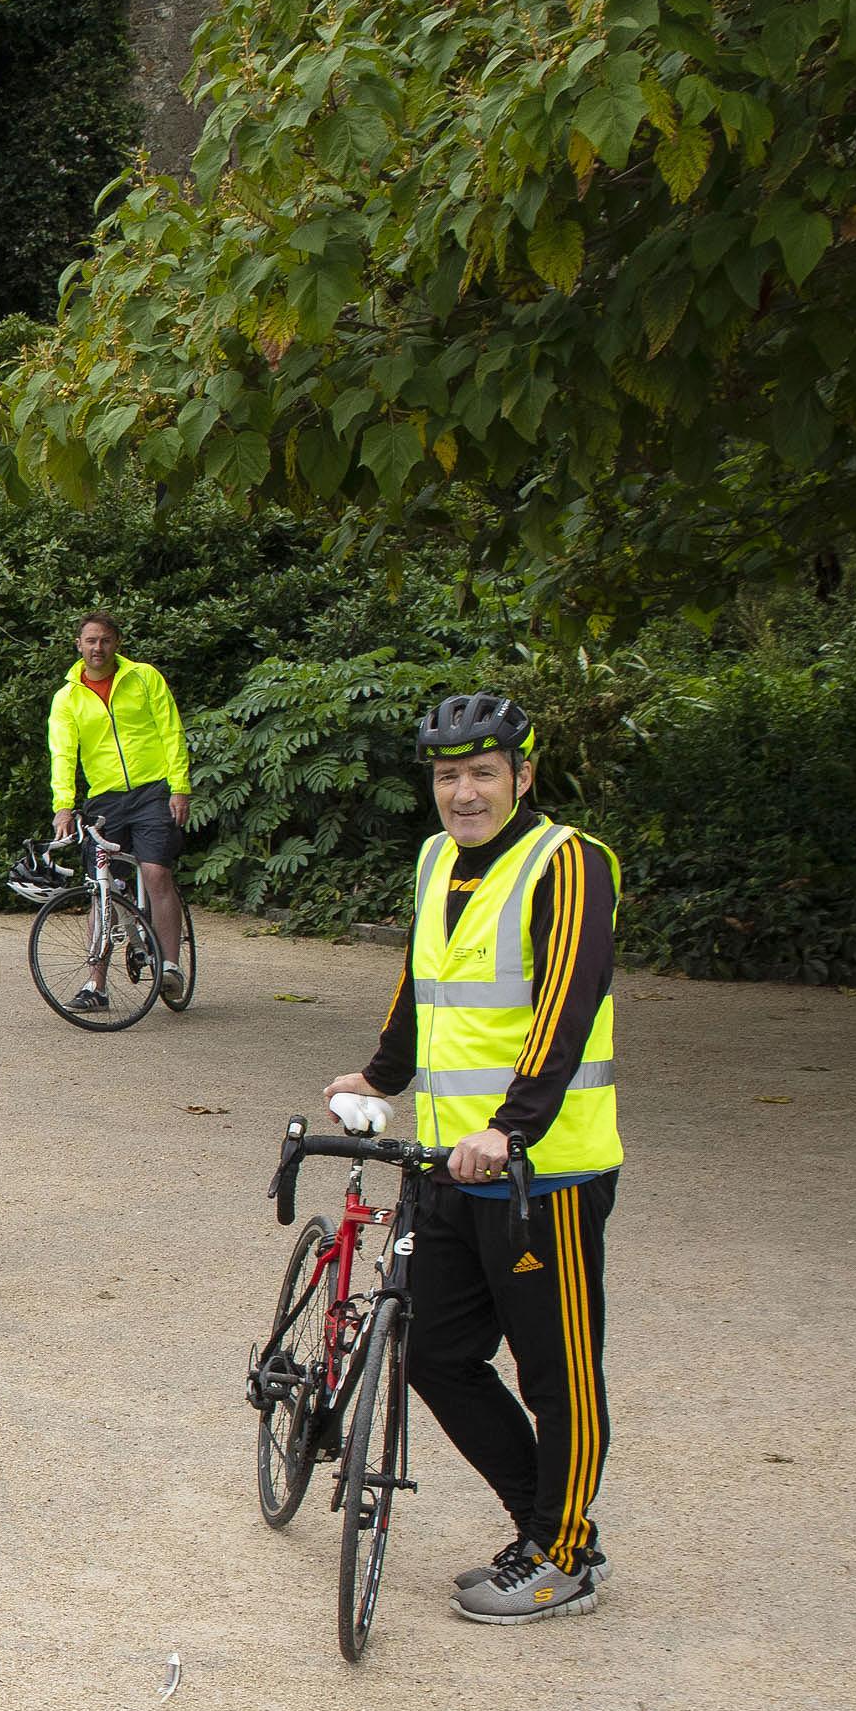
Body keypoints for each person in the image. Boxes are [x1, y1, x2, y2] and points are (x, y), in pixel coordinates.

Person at [323, 691, 619, 1624]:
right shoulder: (433, 860)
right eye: (449, 775)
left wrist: (515, 1127)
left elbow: (566, 1003)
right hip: (449, 1165)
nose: (464, 792)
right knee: (439, 1354)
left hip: (544, 1171)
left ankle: (561, 1554)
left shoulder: (565, 862)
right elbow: (423, 980)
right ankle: (549, 1526)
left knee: (555, 1370)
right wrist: (380, 1074)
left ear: (522, 776)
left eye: (483, 772)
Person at [45, 612, 193, 1012]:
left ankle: (170, 966)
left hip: (151, 790)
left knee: (156, 871)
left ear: (117, 643)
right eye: (91, 641)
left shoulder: (145, 678)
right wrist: (63, 806)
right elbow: (63, 754)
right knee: (101, 886)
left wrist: (179, 786)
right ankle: (96, 985)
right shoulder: (68, 697)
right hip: (105, 798)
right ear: (79, 645)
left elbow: (170, 730)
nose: (98, 648)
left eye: (105, 641)